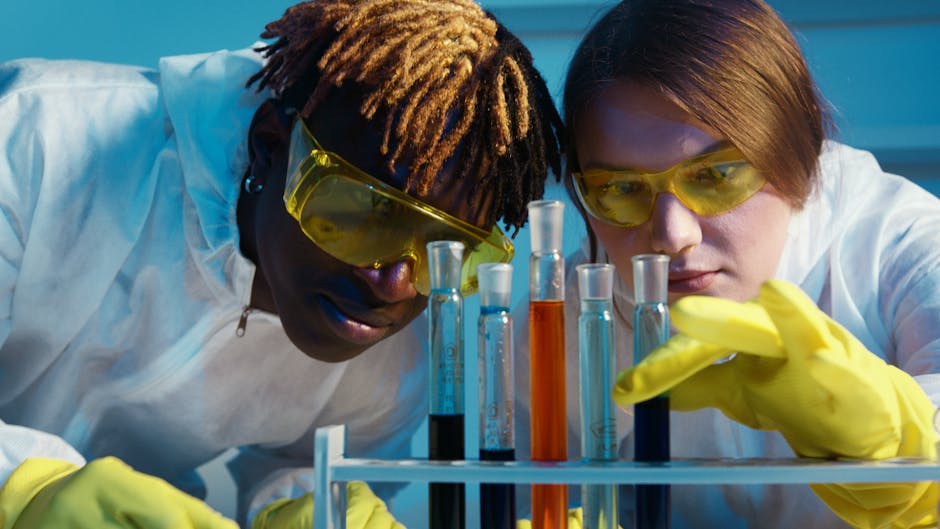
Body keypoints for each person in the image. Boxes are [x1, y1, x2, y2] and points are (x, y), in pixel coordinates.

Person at [0, 0, 562, 527]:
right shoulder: (33, 141)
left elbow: (298, 471)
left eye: (445, 247)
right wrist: (22, 487)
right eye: (368, 211)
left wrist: (310, 502)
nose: (394, 286)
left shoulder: (391, 364)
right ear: (272, 146)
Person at [513, 0, 940, 528]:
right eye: (620, 189)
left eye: (715, 176)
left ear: (799, 155)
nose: (672, 236)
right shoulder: (570, 317)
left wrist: (899, 436)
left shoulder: (904, 247)